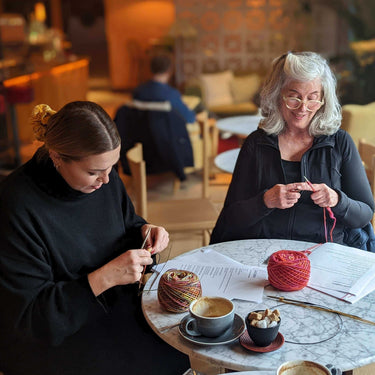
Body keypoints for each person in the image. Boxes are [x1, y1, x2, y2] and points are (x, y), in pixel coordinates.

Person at [0, 101, 190, 375]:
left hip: (112, 308)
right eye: (93, 172)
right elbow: (30, 319)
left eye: (112, 167)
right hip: (50, 337)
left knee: (177, 348)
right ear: (56, 156)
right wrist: (106, 277)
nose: (106, 181)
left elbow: (124, 222)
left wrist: (143, 231)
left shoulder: (102, 180)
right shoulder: (15, 206)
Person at [210, 51, 374, 246]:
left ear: (323, 100)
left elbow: (364, 214)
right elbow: (231, 219)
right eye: (294, 97)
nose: (303, 108)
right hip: (266, 253)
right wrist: (265, 201)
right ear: (277, 95)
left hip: (326, 252)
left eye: (313, 98)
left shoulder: (340, 143)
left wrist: (337, 200)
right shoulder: (257, 144)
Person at [133, 53, 196, 123]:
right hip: (168, 132)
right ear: (169, 70)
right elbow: (190, 118)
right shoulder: (171, 94)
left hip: (141, 132)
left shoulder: (138, 92)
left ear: (151, 68)